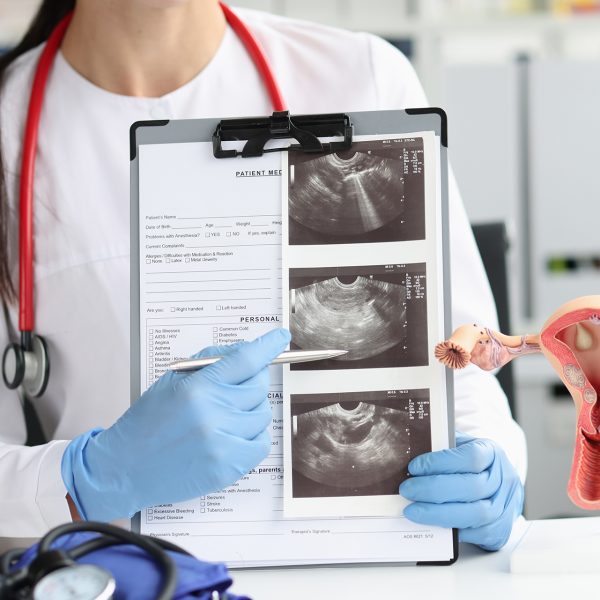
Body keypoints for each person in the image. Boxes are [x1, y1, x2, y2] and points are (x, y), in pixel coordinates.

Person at [0, 0, 526, 551]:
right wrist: (86, 479)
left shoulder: (358, 74)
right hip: (129, 575)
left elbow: (461, 362)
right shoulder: (9, 125)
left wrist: (490, 468)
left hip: (368, 572)